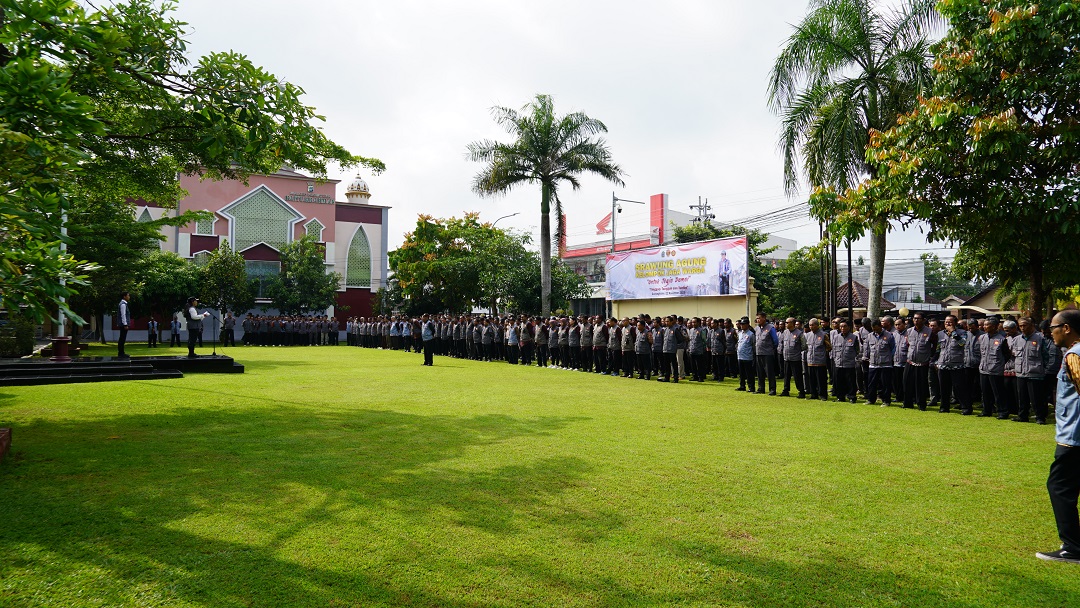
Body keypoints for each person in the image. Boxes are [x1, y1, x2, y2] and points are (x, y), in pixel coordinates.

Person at [1037, 309, 1080, 564]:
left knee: (1059, 487)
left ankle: (1073, 548)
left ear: (1066, 329)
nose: (1049, 331)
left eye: (1053, 327)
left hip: (1074, 438)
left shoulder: (1074, 355)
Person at [754, 312, 779, 395]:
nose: (758, 320)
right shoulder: (756, 328)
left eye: (759, 318)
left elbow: (775, 341)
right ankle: (761, 388)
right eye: (757, 318)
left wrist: (771, 349)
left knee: (769, 372)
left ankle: (772, 389)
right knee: (760, 372)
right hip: (758, 353)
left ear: (764, 318)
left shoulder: (770, 328)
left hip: (768, 353)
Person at [117, 291, 131, 358]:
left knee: (122, 338)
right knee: (122, 339)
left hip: (123, 324)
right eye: (128, 295)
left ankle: (121, 352)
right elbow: (123, 315)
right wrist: (125, 324)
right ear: (124, 296)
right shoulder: (123, 304)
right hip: (123, 325)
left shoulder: (124, 304)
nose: (129, 297)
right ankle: (121, 353)